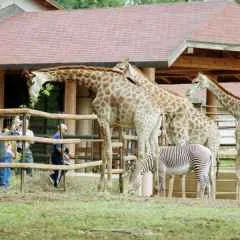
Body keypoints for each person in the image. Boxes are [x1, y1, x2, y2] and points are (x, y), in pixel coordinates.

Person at [49, 123, 70, 187]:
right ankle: (54, 180)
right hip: (57, 155)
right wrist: (64, 154)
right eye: (65, 130)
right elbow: (58, 148)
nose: (65, 132)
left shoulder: (57, 135)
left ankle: (54, 178)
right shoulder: (58, 136)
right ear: (61, 129)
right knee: (62, 168)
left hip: (55, 154)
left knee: (60, 169)